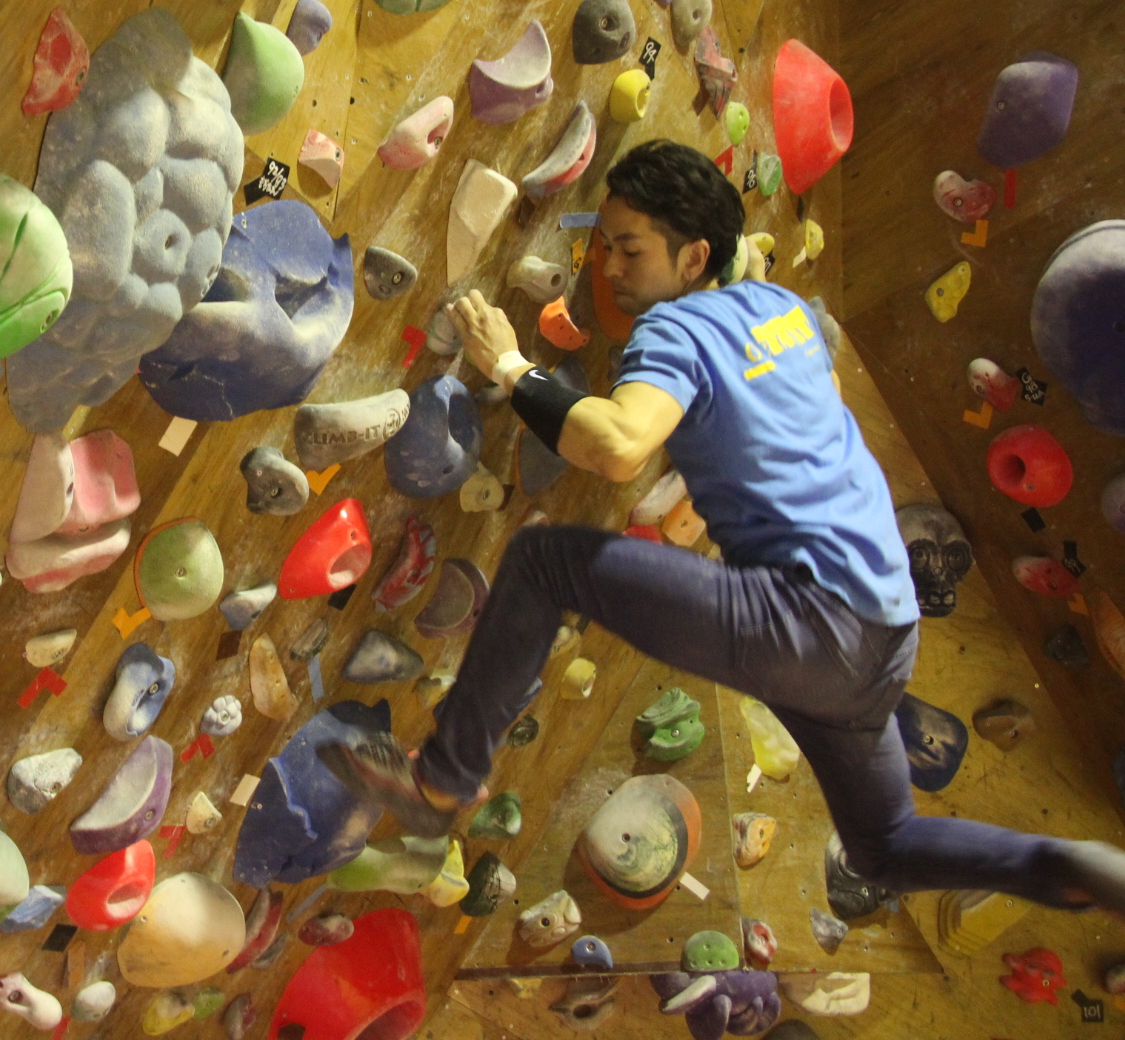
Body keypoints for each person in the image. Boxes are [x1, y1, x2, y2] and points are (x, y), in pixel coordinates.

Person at [320, 139, 1125, 914]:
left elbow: (619, 447)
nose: (608, 266)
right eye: (604, 246)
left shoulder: (675, 331)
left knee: (541, 561)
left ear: (695, 257)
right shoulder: (784, 310)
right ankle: (1068, 867)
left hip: (810, 618)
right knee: (884, 846)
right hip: (883, 632)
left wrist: (509, 364)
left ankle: (441, 784)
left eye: (630, 250)